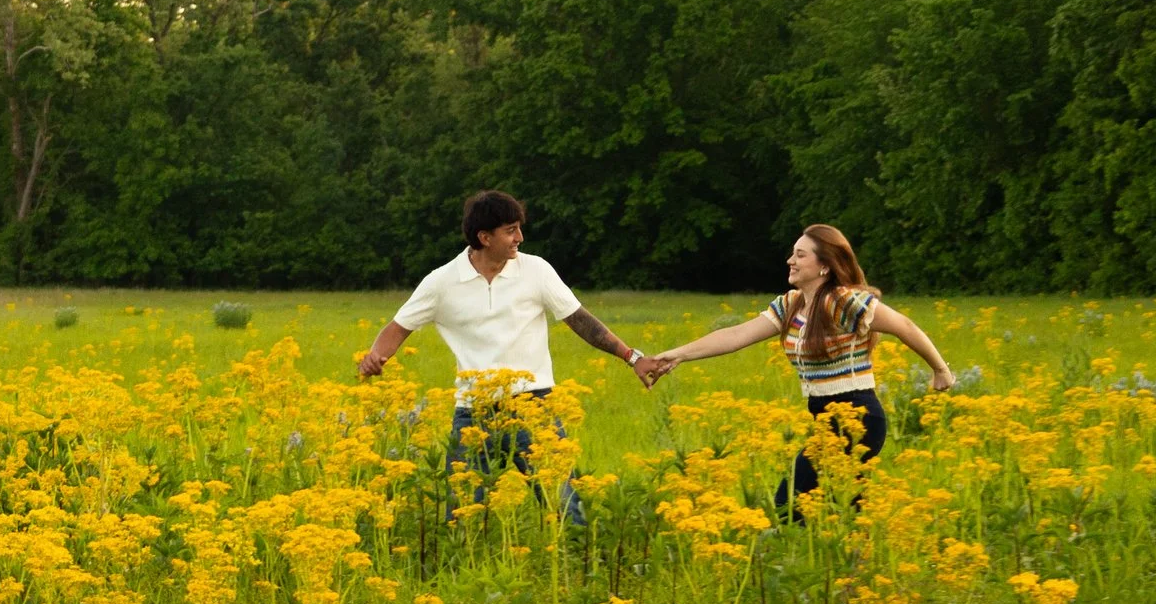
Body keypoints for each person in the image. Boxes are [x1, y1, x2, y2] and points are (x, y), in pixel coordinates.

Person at [358, 190, 648, 524]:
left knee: (565, 506)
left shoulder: (536, 271)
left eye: (518, 229)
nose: (519, 238)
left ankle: (579, 564)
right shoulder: (442, 282)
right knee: (463, 515)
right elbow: (399, 327)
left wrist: (631, 356)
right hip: (473, 414)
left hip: (534, 406)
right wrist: (375, 357)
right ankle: (463, 571)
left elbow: (580, 320)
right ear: (484, 237)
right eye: (510, 230)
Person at [639, 224, 954, 519]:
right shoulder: (791, 304)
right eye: (793, 253)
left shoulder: (841, 302)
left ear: (825, 266)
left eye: (800, 255)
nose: (790, 260)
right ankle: (854, 572)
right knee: (844, 514)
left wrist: (940, 370)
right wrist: (676, 356)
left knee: (788, 505)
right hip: (826, 419)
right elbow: (735, 336)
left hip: (857, 416)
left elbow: (905, 326)